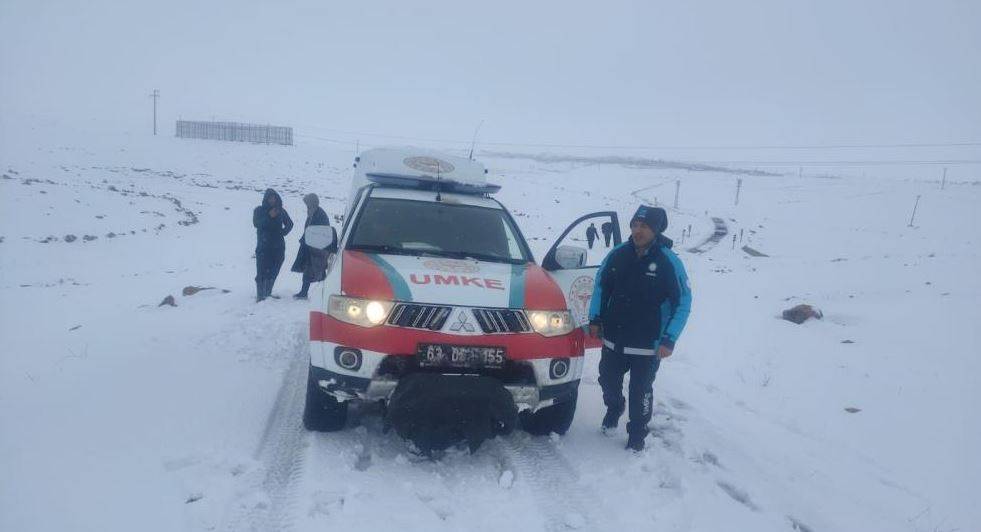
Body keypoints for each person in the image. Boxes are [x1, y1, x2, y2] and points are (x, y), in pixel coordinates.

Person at [588, 205, 692, 451]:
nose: (638, 230)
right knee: (607, 381)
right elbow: (601, 288)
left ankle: (637, 433)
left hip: (648, 344)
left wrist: (670, 338)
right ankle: (614, 407)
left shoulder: (669, 262)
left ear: (655, 229)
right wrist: (595, 319)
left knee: (640, 391)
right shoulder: (617, 255)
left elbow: (684, 302)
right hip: (614, 338)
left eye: (644, 226)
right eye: (635, 224)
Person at [290, 193, 334, 299]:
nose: (306, 206)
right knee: (312, 269)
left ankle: (315, 292)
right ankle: (306, 292)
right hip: (311, 246)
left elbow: (320, 230)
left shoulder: (319, 214)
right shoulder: (313, 212)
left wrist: (310, 239)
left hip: (317, 247)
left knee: (315, 270)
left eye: (307, 203)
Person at [253, 188, 293, 302]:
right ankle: (260, 296)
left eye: (274, 197)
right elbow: (256, 224)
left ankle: (268, 293)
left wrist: (282, 233)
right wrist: (269, 216)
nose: (272, 200)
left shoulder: (280, 210)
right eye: (270, 198)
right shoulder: (259, 210)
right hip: (263, 246)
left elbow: (290, 224)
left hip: (278, 246)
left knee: (274, 269)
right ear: (266, 199)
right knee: (261, 270)